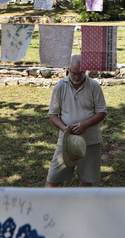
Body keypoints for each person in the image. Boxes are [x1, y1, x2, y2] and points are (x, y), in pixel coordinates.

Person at [45, 54, 107, 187]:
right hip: (66, 140)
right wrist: (64, 128)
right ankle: (47, 206)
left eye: (81, 73)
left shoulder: (94, 86)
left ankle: (80, 206)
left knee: (87, 179)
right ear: (68, 70)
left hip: (90, 140)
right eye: (74, 73)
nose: (77, 77)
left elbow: (101, 112)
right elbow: (53, 114)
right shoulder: (60, 86)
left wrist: (85, 124)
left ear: (85, 71)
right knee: (53, 178)